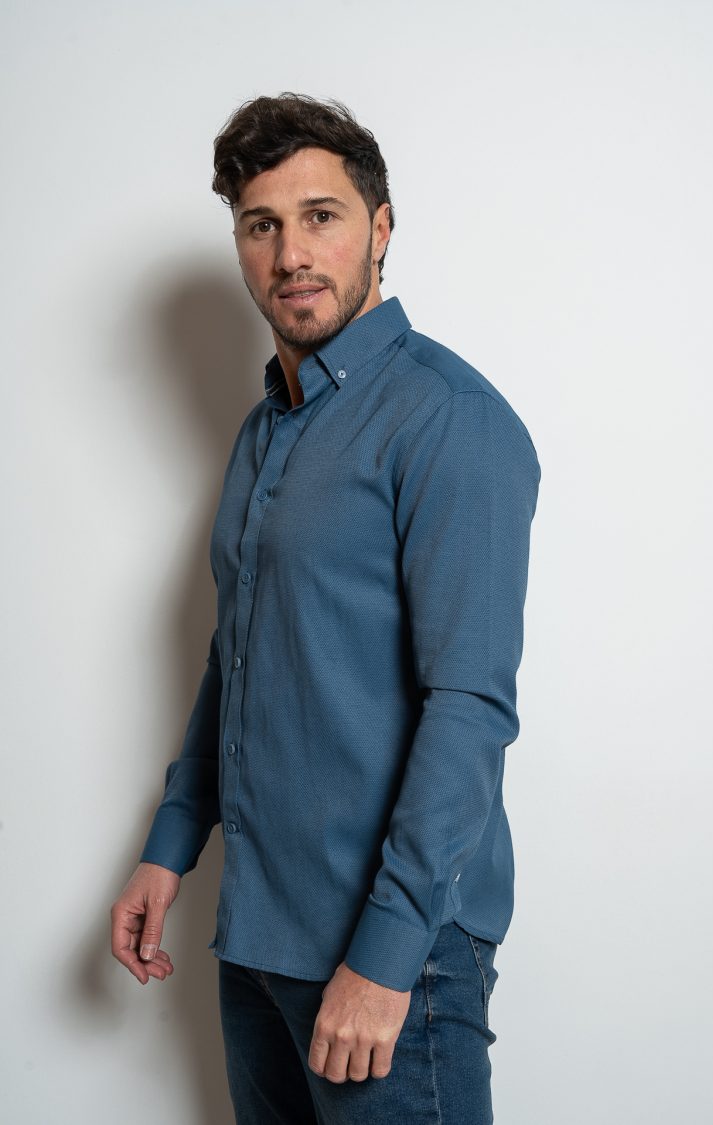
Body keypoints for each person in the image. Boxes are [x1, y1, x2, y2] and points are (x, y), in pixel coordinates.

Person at [111, 92, 541, 1124]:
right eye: (261, 225)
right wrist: (172, 841)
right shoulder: (264, 432)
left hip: (394, 960)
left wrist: (386, 956)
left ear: (380, 228)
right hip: (258, 940)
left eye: (321, 216)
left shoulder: (450, 419)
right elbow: (239, 654)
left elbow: (469, 708)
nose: (291, 254)